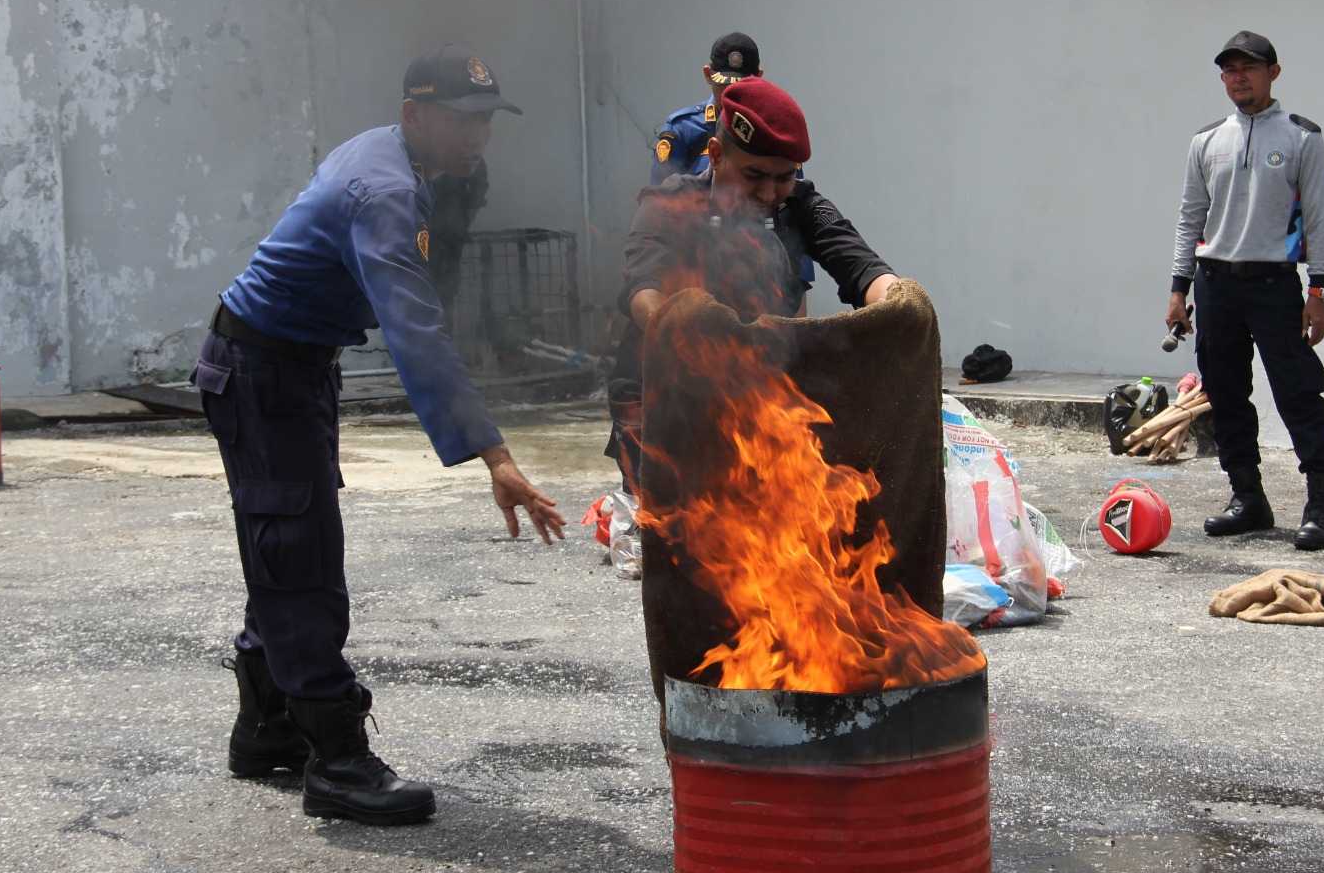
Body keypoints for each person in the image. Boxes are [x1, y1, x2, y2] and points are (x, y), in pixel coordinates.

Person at [192, 44, 567, 827]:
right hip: (264, 375)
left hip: (290, 368)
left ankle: (265, 731)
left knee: (286, 544)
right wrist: (494, 455)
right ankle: (335, 759)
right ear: (414, 116)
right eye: (462, 122)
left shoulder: (398, 159)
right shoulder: (385, 191)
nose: (476, 140)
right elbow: (416, 333)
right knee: (298, 560)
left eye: (487, 124)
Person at [606, 77, 899, 488]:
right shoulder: (669, 205)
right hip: (665, 399)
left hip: (759, 393)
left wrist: (901, 300)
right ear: (716, 154)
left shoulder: (800, 204)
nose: (769, 192)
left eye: (783, 177)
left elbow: (860, 265)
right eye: (754, 175)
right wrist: (683, 326)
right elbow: (643, 291)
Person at [1167, 30, 1324, 550]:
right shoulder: (1207, 141)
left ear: (1273, 73)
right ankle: (1248, 498)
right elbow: (1189, 218)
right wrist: (1179, 287)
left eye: (1250, 67)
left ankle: (1322, 507)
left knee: (1298, 393)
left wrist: (1319, 290)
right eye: (1230, 69)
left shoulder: (1300, 137)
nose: (1239, 76)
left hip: (1274, 286)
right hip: (1216, 284)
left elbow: (1319, 217)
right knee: (1225, 393)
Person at [648, 31, 763, 185]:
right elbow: (659, 199)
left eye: (741, 85)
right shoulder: (682, 129)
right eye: (724, 83)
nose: (731, 92)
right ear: (708, 75)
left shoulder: (772, 128)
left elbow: (793, 195)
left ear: (759, 79)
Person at [426, 158, 487, 324]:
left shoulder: (458, 142)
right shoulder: (419, 144)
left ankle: (443, 327)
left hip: (453, 223)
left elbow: (478, 174)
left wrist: (473, 206)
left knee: (447, 279)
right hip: (424, 222)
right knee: (424, 277)